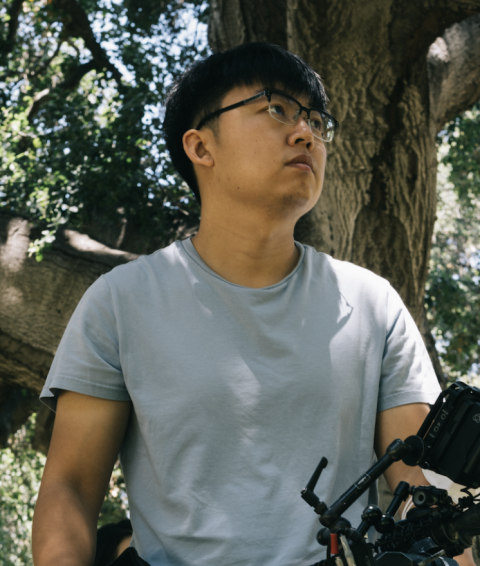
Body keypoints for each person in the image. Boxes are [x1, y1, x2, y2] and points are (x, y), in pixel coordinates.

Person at [31, 42, 474, 566]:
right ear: (200, 147)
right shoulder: (119, 303)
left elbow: (421, 491)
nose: (306, 133)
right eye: (276, 108)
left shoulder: (372, 304)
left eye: (316, 121)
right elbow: (71, 489)